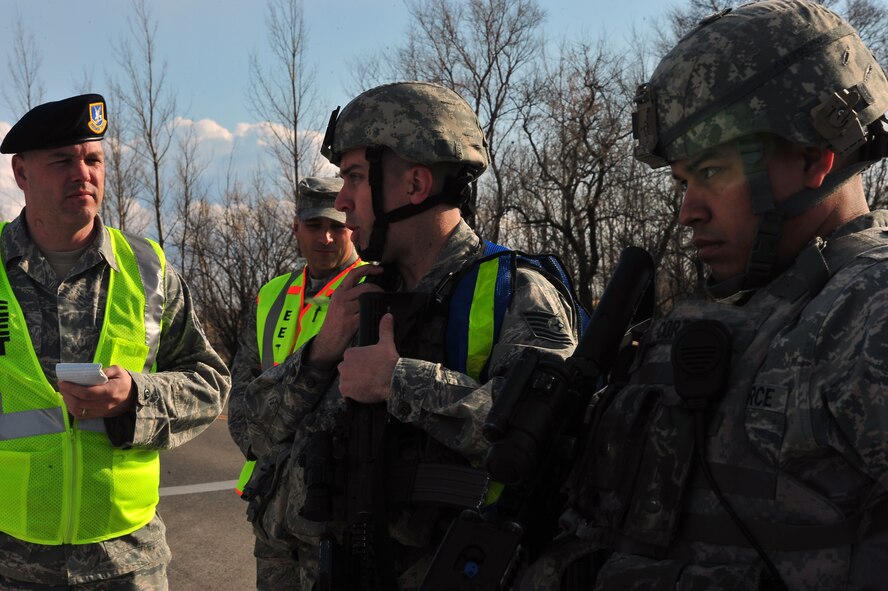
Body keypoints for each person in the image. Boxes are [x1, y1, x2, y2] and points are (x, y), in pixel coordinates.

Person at [518, 1, 888, 589]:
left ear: (813, 157)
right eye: (683, 182)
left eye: (712, 172)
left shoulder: (867, 309)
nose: (688, 211)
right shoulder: (756, 310)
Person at [242, 81, 579, 589]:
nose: (342, 201)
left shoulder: (514, 293)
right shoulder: (361, 297)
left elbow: (557, 447)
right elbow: (255, 434)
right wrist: (317, 356)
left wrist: (400, 382)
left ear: (415, 186)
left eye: (355, 177)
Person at [0, 94, 230, 589]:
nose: (82, 174)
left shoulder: (148, 269)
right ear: (21, 173)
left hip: (127, 563)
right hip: (11, 561)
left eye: (93, 159)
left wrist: (136, 397)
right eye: (62, 161)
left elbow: (211, 383)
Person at [227, 176, 361, 590]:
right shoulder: (272, 295)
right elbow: (242, 389)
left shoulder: (371, 289)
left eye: (337, 226)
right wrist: (258, 445)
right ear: (295, 229)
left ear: (352, 227)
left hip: (334, 511)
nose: (325, 237)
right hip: (271, 506)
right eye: (314, 226)